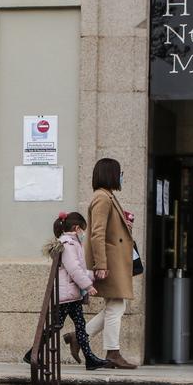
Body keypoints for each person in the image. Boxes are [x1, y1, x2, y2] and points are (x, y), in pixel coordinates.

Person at [83, 158, 139, 369]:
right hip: (109, 262)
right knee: (116, 306)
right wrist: (101, 264)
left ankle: (79, 337)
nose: (121, 177)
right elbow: (97, 234)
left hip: (113, 261)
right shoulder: (102, 198)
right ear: (111, 174)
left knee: (115, 305)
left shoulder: (107, 196)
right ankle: (112, 352)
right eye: (120, 173)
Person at [45, 212, 113, 371]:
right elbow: (74, 270)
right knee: (55, 326)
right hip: (66, 296)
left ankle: (90, 359)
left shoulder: (73, 243)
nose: (84, 233)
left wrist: (93, 275)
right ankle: (32, 353)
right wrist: (88, 286)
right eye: (83, 230)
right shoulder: (68, 244)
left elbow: (79, 269)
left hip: (71, 295)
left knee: (80, 327)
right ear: (76, 228)